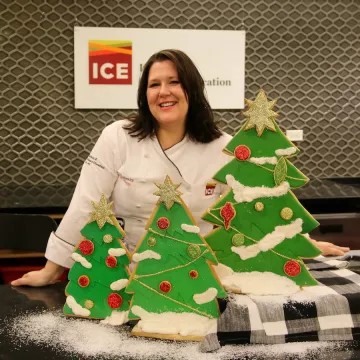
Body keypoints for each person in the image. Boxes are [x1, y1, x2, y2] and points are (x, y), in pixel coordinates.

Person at [11, 49, 349, 287]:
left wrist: (299, 241)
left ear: (192, 89)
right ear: (145, 95)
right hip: (130, 272)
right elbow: (85, 203)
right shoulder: (117, 137)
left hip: (200, 274)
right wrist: (52, 269)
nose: (164, 92)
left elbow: (252, 209)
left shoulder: (224, 147)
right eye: (154, 84)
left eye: (173, 82)